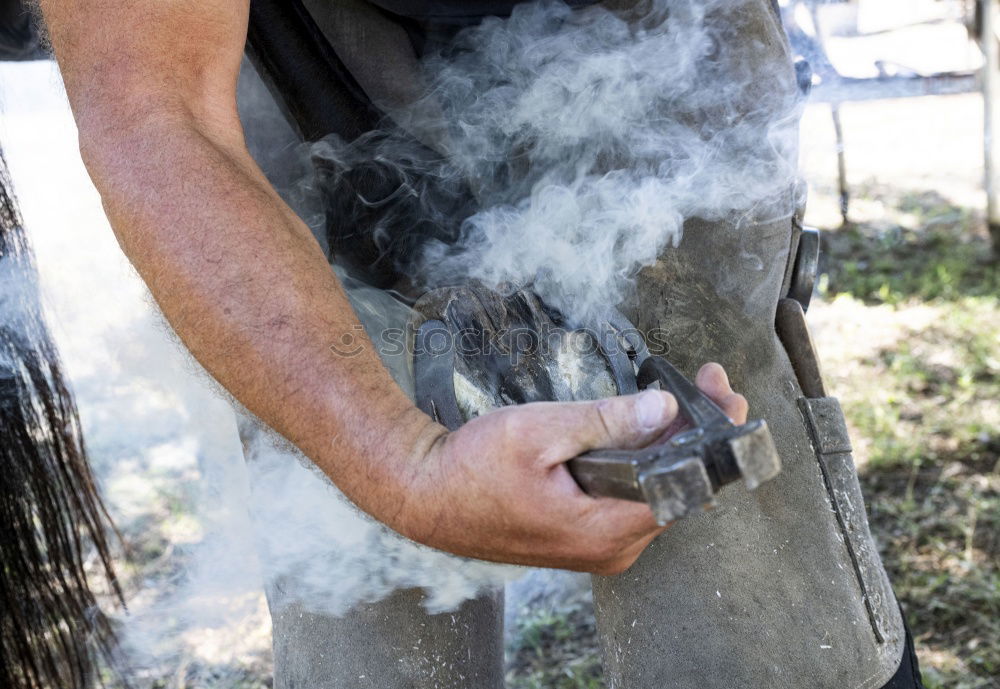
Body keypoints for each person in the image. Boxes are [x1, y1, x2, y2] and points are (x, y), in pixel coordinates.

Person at [35, 0, 923, 687]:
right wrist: (398, 465)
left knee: (698, 390)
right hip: (291, 33)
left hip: (643, 21)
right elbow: (157, 108)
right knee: (341, 419)